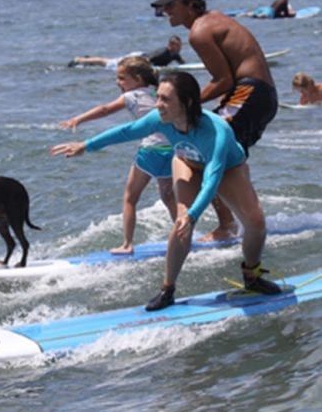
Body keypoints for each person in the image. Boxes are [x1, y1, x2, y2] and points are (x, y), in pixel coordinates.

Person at [51, 72, 282, 310]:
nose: (158, 104)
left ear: (187, 102)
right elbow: (127, 131)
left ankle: (252, 276)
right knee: (182, 223)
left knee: (255, 223)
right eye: (158, 97)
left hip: (228, 168)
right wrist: (86, 146)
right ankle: (167, 290)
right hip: (186, 162)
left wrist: (195, 213)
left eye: (165, 99)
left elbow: (212, 178)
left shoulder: (216, 130)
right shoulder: (159, 118)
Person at [151, 0, 278, 242]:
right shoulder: (213, 19)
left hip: (249, 93)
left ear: (191, 4)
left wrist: (185, 103)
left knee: (204, 147)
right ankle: (243, 219)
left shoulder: (199, 32)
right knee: (221, 153)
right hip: (258, 95)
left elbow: (223, 80)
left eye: (171, 5)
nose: (166, 11)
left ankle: (228, 224)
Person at [60, 56, 176, 254]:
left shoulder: (133, 96)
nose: (118, 82)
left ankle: (127, 245)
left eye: (122, 78)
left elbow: (105, 109)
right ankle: (182, 233)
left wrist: (79, 119)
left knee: (130, 198)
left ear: (138, 79)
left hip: (149, 152)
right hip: (171, 150)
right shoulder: (158, 93)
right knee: (168, 197)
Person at [68, 35, 185, 69]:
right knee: (107, 63)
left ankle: (88, 60)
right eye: (177, 45)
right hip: (136, 58)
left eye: (180, 45)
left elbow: (183, 65)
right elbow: (146, 60)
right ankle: (80, 60)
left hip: (140, 57)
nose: (179, 48)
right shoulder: (164, 52)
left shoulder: (175, 55)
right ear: (170, 45)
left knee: (107, 62)